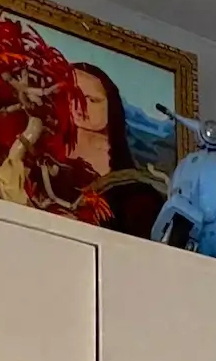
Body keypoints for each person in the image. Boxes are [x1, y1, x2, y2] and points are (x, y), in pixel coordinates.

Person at [66, 60, 165, 237]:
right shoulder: (45, 168)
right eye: (74, 95)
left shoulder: (137, 193)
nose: (81, 105)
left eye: (93, 100)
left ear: (111, 106)